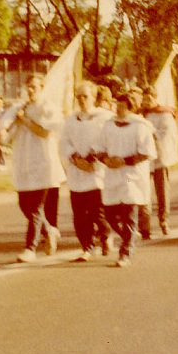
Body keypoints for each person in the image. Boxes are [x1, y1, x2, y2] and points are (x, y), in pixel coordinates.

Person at [6, 74, 65, 263]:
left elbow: (44, 132)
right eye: (28, 87)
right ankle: (49, 230)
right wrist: (7, 128)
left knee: (35, 207)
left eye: (34, 87)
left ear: (42, 88)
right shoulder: (20, 107)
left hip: (43, 163)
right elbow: (7, 131)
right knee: (24, 204)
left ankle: (30, 248)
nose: (30, 90)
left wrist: (24, 120)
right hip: (24, 162)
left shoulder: (48, 107)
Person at [99, 91, 157, 267]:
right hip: (112, 175)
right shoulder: (108, 125)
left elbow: (147, 153)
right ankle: (129, 235)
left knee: (128, 214)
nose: (118, 108)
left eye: (123, 106)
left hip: (132, 176)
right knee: (109, 213)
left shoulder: (140, 126)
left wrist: (124, 161)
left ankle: (125, 253)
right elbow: (100, 149)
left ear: (131, 107)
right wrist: (106, 160)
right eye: (117, 105)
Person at [60, 81, 110, 262]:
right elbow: (64, 141)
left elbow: (107, 140)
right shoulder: (71, 120)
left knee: (98, 213)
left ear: (94, 97)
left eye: (85, 96)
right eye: (78, 96)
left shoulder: (105, 117)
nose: (81, 100)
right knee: (80, 215)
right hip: (77, 172)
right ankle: (87, 247)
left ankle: (105, 236)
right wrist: (75, 158)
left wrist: (92, 158)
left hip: (97, 171)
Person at [141, 84, 178, 236]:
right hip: (143, 158)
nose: (147, 101)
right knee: (143, 190)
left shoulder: (164, 114)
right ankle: (144, 225)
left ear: (156, 98)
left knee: (162, 191)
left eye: (150, 98)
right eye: (144, 98)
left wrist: (151, 132)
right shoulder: (140, 114)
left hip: (159, 157)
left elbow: (166, 134)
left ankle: (164, 220)